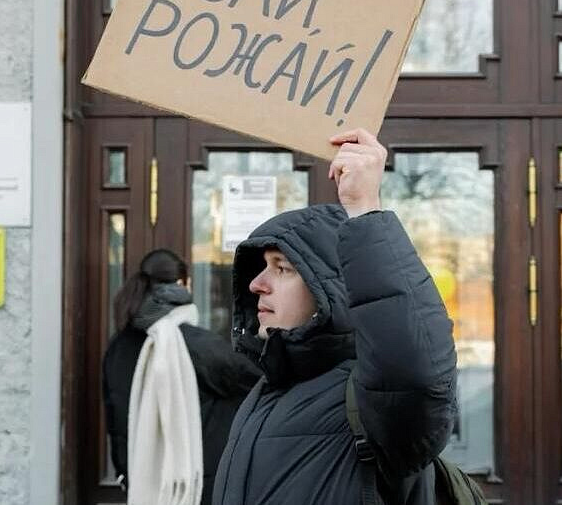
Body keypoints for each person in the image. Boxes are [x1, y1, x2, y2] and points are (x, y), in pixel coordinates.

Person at [210, 129, 458, 505]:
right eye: (262, 268)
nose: (256, 285)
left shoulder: (372, 402)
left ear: (332, 289)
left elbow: (417, 370)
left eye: (282, 268)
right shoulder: (265, 392)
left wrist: (364, 208)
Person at [102, 249, 261, 505]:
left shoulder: (118, 347)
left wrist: (126, 474)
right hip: (200, 487)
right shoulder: (200, 346)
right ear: (182, 284)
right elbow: (259, 383)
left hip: (142, 483)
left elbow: (116, 420)